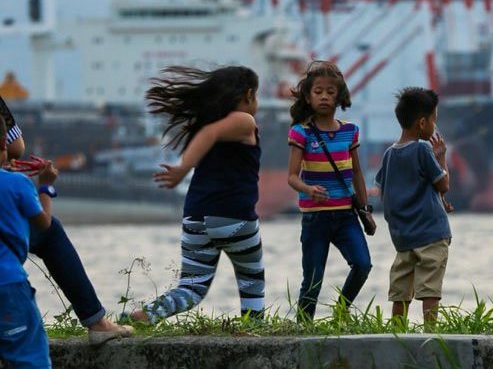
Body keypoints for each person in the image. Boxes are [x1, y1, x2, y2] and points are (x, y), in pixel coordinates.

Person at [129, 66, 265, 323]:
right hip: (235, 219)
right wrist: (183, 168)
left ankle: (147, 314)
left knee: (191, 288)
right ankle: (253, 325)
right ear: (248, 95)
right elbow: (210, 134)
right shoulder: (244, 121)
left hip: (197, 219)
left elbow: (209, 132)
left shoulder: (209, 123)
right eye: (255, 96)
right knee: (252, 280)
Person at [1, 95, 132, 345]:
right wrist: (46, 187)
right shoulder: (16, 182)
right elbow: (16, 147)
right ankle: (97, 322)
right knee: (51, 235)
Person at [287, 61, 374, 321]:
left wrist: (366, 210)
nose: (324, 96)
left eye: (330, 92)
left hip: (346, 215)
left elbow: (357, 173)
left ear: (340, 96)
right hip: (315, 218)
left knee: (362, 265)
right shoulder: (300, 132)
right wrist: (307, 189)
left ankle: (340, 312)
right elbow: (291, 176)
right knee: (312, 280)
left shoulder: (350, 131)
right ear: (308, 96)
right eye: (318, 91)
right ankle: (303, 328)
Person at [374, 87, 452, 328]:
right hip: (431, 233)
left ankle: (398, 331)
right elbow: (443, 184)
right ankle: (431, 333)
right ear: (422, 123)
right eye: (433, 121)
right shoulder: (423, 149)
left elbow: (383, 190)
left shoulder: (389, 154)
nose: (434, 127)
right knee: (429, 288)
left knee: (401, 290)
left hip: (403, 237)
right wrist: (441, 157)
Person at [0, 115, 53, 368]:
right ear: (4, 143)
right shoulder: (18, 183)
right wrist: (45, 187)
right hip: (8, 286)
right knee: (29, 357)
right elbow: (43, 223)